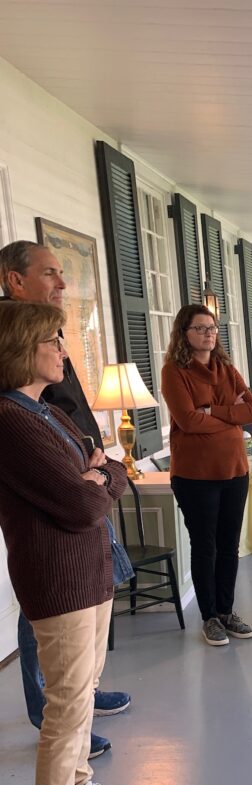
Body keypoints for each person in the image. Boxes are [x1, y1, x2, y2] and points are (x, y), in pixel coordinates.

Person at [0, 300, 140, 785]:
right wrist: (99, 478)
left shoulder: (46, 411)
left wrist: (98, 473)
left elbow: (106, 469)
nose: (63, 349)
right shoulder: (11, 419)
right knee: (65, 714)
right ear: (22, 346)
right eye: (54, 339)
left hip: (89, 574)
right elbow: (85, 502)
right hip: (60, 583)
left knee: (81, 701)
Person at [0, 240, 131, 758]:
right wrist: (93, 477)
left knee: (87, 592)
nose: (61, 283)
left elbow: (64, 406)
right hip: (53, 480)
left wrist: (98, 465)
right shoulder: (16, 339)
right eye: (51, 273)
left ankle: (80, 697)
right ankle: (56, 710)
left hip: (79, 466)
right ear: (15, 280)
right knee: (50, 600)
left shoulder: (45, 330)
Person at [161, 303, 252, 646]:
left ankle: (226, 612)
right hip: (194, 475)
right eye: (200, 328)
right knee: (206, 547)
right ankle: (209, 617)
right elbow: (187, 421)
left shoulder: (226, 368)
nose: (207, 334)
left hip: (235, 469)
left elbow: (251, 410)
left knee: (229, 546)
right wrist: (229, 415)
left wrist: (212, 411)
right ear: (184, 333)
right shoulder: (175, 371)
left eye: (212, 328)